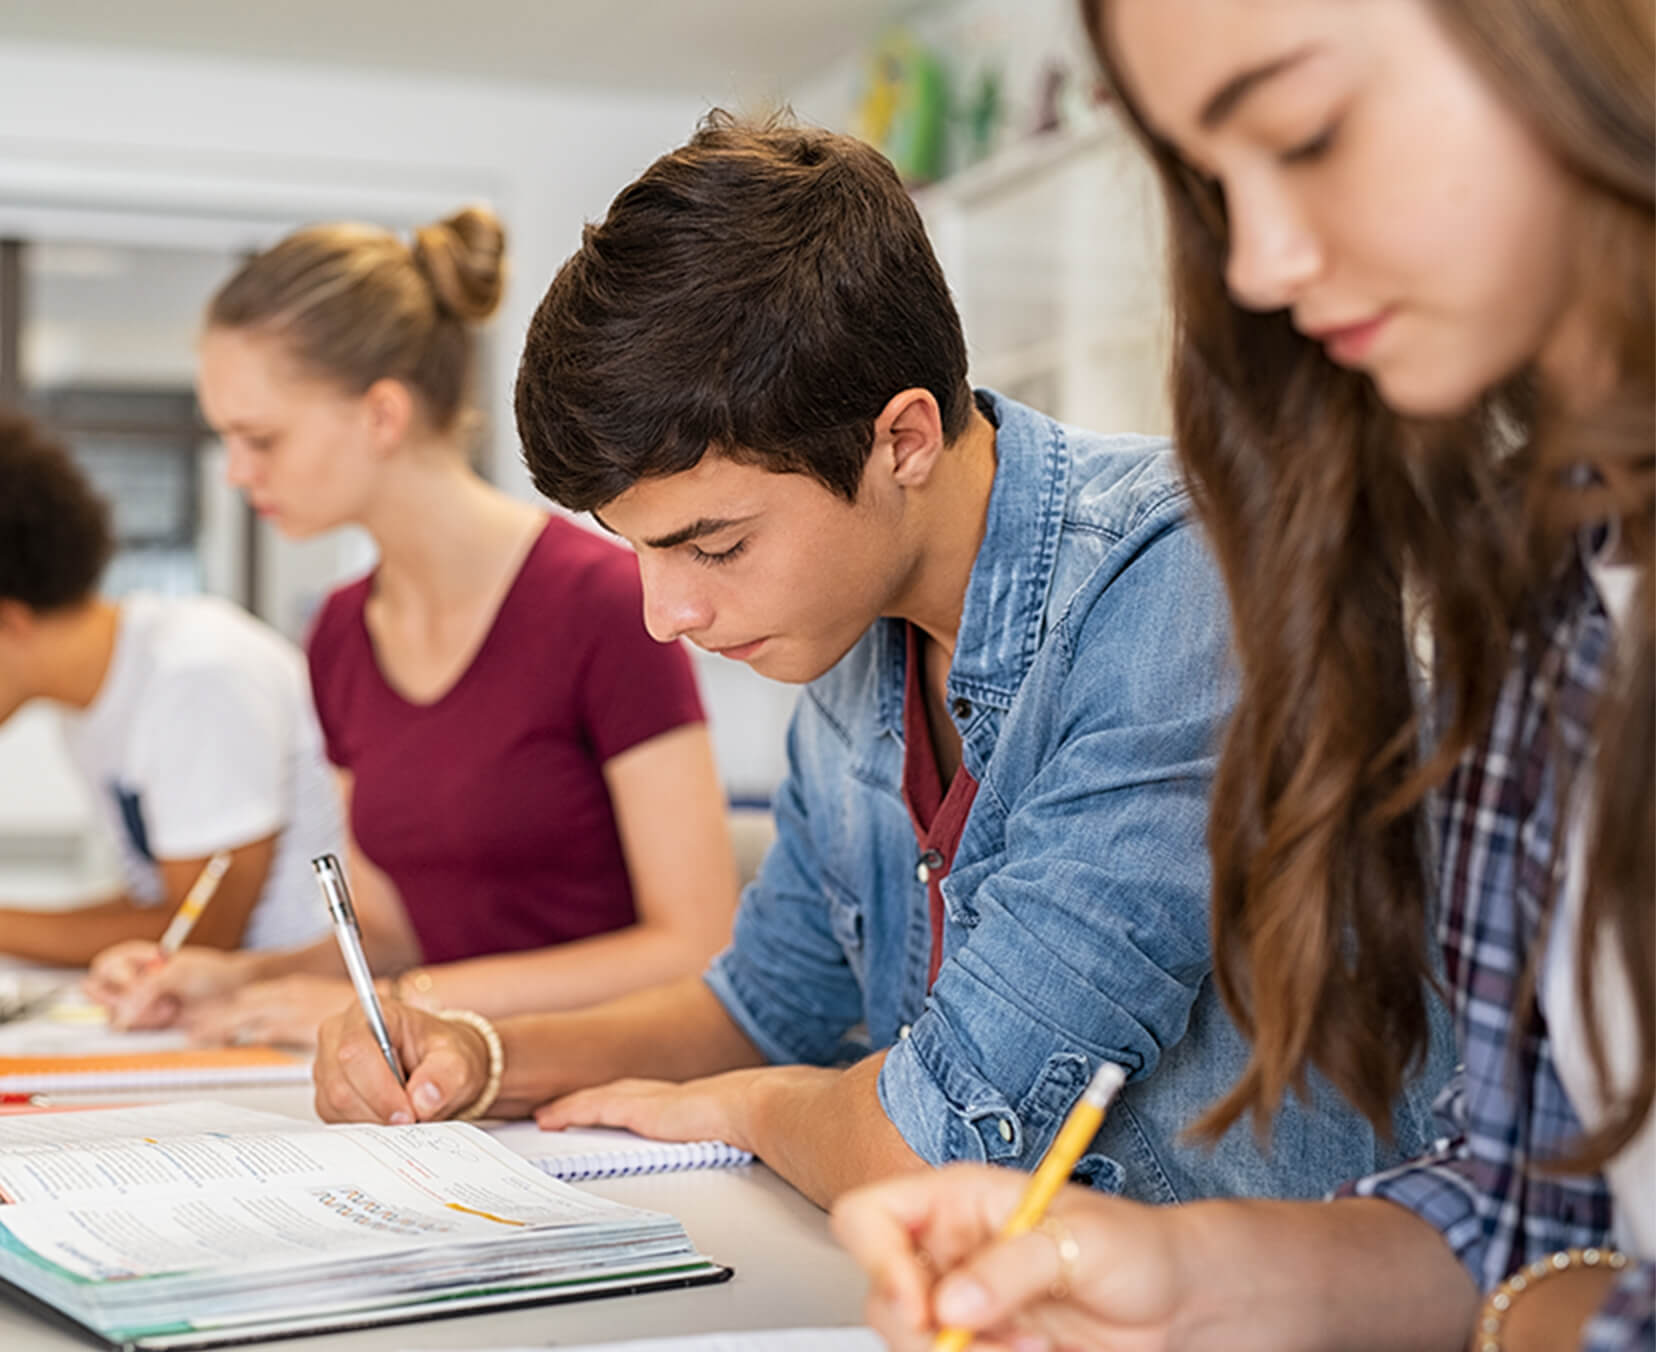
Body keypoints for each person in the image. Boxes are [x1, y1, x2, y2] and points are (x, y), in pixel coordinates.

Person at [311, 115, 1450, 1212]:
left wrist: (758, 1108)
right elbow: (768, 1006)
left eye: (713, 543)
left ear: (902, 438)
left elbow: (944, 1142)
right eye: (641, 549)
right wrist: (481, 1052)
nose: (666, 612)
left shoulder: (1180, 584)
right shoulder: (859, 633)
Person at [832, 1, 1654, 1348]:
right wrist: (1185, 1276)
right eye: (1213, 181)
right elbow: (1525, 1216)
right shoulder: (1555, 589)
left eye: (1307, 131)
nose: (1262, 261)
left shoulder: (1157, 581)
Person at [87, 207, 739, 1046]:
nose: (239, 473)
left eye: (261, 438)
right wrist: (236, 978)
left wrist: (407, 1001)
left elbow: (694, 944)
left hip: (610, 1086)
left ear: (382, 415)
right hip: (446, 1091)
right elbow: (392, 935)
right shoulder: (340, 636)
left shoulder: (608, 603)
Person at [0, 408, 340, 964]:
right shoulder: (88, 706)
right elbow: (157, 902)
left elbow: (200, 933)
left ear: (10, 619)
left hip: (303, 1011)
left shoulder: (196, 673)